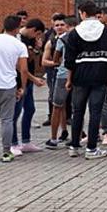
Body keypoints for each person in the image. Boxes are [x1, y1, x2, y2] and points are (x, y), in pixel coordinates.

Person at [64, 1, 107, 159]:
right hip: (100, 76)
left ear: (83, 13)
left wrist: (69, 79)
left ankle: (74, 146)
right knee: (95, 112)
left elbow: (69, 60)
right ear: (97, 14)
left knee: (77, 111)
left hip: (80, 77)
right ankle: (92, 149)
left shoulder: (74, 33)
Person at [0, 15, 30, 162]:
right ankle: (7, 151)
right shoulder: (19, 45)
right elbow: (23, 69)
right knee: (7, 120)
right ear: (16, 28)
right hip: (8, 85)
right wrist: (22, 87)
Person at [11, 18, 47, 155]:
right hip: (18, 80)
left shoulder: (30, 40)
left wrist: (37, 48)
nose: (37, 37)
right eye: (37, 34)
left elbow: (30, 59)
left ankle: (26, 141)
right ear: (33, 30)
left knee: (30, 109)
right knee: (15, 112)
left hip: (29, 79)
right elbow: (20, 66)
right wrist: (35, 79)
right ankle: (13, 143)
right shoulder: (17, 39)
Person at [44, 17, 74, 149]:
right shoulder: (83, 38)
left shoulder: (62, 40)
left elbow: (56, 59)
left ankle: (53, 138)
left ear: (67, 26)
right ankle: (77, 137)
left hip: (63, 74)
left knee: (57, 106)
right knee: (77, 108)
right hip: (78, 75)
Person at [42, 13, 66, 127]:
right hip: (54, 72)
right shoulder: (51, 41)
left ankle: (67, 119)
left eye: (62, 24)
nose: (59, 27)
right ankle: (52, 116)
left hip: (67, 72)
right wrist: (56, 63)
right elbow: (44, 61)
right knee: (53, 95)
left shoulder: (71, 39)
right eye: (57, 25)